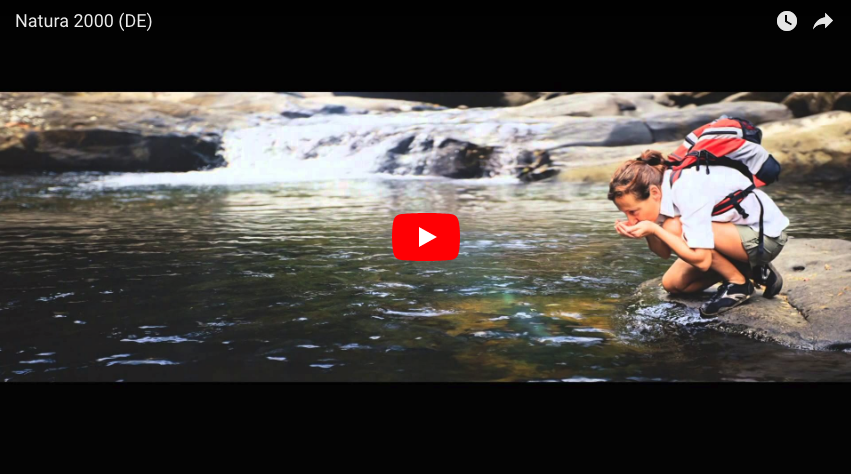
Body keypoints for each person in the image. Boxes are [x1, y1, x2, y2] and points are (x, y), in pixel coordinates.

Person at [608, 150, 789, 317]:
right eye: (625, 214)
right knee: (674, 284)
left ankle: (739, 283)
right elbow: (663, 253)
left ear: (654, 192)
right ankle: (754, 269)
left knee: (672, 227)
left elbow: (702, 261)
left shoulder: (686, 189)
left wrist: (655, 229)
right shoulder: (661, 191)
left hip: (765, 239)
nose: (630, 220)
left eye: (633, 211)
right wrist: (646, 230)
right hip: (734, 235)